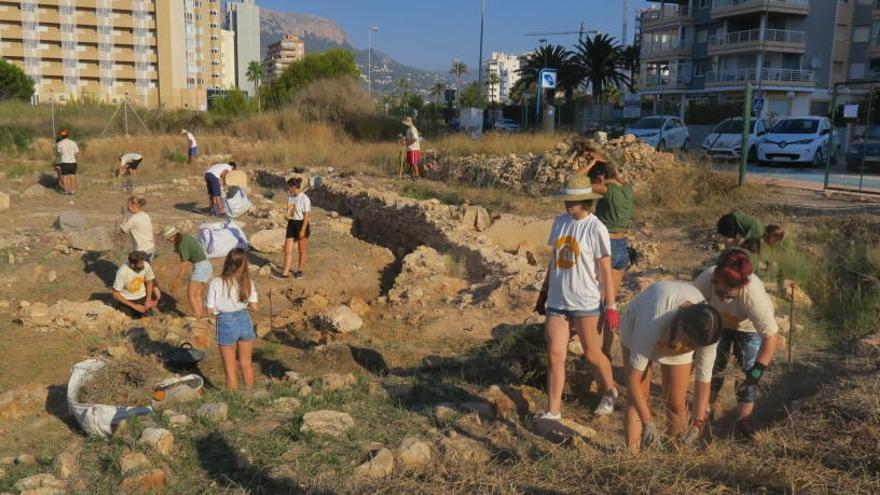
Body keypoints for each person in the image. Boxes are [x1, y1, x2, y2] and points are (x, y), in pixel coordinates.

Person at [534, 175, 619, 419]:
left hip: (586, 302)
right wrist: (544, 291)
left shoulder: (596, 228)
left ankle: (609, 392)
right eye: (566, 200)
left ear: (585, 200)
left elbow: (605, 270)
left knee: (593, 353)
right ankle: (553, 411)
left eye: (573, 200)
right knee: (554, 355)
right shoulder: (560, 222)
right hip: (558, 301)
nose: (567, 205)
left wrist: (610, 305)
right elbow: (554, 260)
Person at [618, 281, 723, 453]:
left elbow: (703, 382)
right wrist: (648, 422)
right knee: (637, 399)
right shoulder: (655, 316)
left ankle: (674, 456)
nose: (692, 350)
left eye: (695, 348)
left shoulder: (708, 330)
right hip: (637, 327)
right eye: (689, 344)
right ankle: (632, 458)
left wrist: (697, 423)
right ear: (681, 327)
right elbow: (633, 379)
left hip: (675, 337)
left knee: (675, 402)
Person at [694, 249, 779, 439]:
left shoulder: (754, 296)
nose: (724, 298)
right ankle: (705, 412)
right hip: (717, 322)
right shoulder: (706, 279)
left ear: (742, 287)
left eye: (730, 296)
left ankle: (743, 419)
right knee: (713, 367)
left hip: (748, 328)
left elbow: (771, 336)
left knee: (747, 372)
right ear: (714, 281)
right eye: (720, 293)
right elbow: (690, 308)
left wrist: (757, 371)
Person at [580, 148, 635, 360]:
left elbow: (575, 183)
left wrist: (589, 166)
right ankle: (607, 353)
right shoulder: (627, 188)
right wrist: (602, 160)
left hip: (606, 247)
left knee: (598, 304)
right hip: (622, 248)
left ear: (601, 178)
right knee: (610, 304)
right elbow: (615, 173)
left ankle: (595, 354)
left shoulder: (606, 190)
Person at [206, 248, 258, 391]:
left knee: (230, 369)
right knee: (246, 364)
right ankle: (250, 393)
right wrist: (241, 304)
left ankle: (232, 400)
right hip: (244, 319)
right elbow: (254, 307)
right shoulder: (248, 282)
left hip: (226, 321)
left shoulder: (216, 282)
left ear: (228, 262)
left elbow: (209, 310)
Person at [162, 226, 213, 319]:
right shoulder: (185, 237)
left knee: (190, 294)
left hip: (200, 267)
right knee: (197, 295)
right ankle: (200, 316)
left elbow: (184, 264)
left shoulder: (182, 244)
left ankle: (197, 317)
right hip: (207, 265)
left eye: (168, 238)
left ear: (172, 236)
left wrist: (178, 278)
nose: (168, 240)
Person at [274, 177, 311, 280]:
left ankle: (300, 271)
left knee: (302, 250)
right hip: (291, 224)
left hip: (301, 224)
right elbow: (291, 213)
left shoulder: (305, 198)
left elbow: (307, 216)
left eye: (289, 187)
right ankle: (285, 273)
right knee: (287, 250)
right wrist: (286, 216)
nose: (288, 189)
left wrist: (303, 230)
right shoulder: (290, 198)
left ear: (294, 187)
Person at [112, 251, 160, 319]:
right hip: (127, 300)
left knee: (149, 319)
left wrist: (148, 298)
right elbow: (115, 294)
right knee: (126, 321)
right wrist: (134, 306)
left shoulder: (145, 265)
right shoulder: (122, 272)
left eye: (143, 262)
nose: (143, 265)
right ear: (132, 265)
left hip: (142, 297)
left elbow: (149, 281)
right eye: (140, 264)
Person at [716, 212, 785, 250]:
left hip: (729, 221)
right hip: (729, 222)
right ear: (770, 235)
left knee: (733, 247)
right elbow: (745, 243)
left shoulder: (761, 229)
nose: (773, 243)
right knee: (731, 248)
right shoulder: (759, 231)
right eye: (775, 240)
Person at [56, 129, 80, 195]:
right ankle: (73, 191)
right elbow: (77, 152)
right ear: (68, 135)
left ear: (61, 136)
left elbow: (59, 153)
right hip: (73, 162)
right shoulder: (73, 142)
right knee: (73, 176)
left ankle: (66, 191)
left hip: (64, 162)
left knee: (65, 177)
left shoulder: (59, 143)